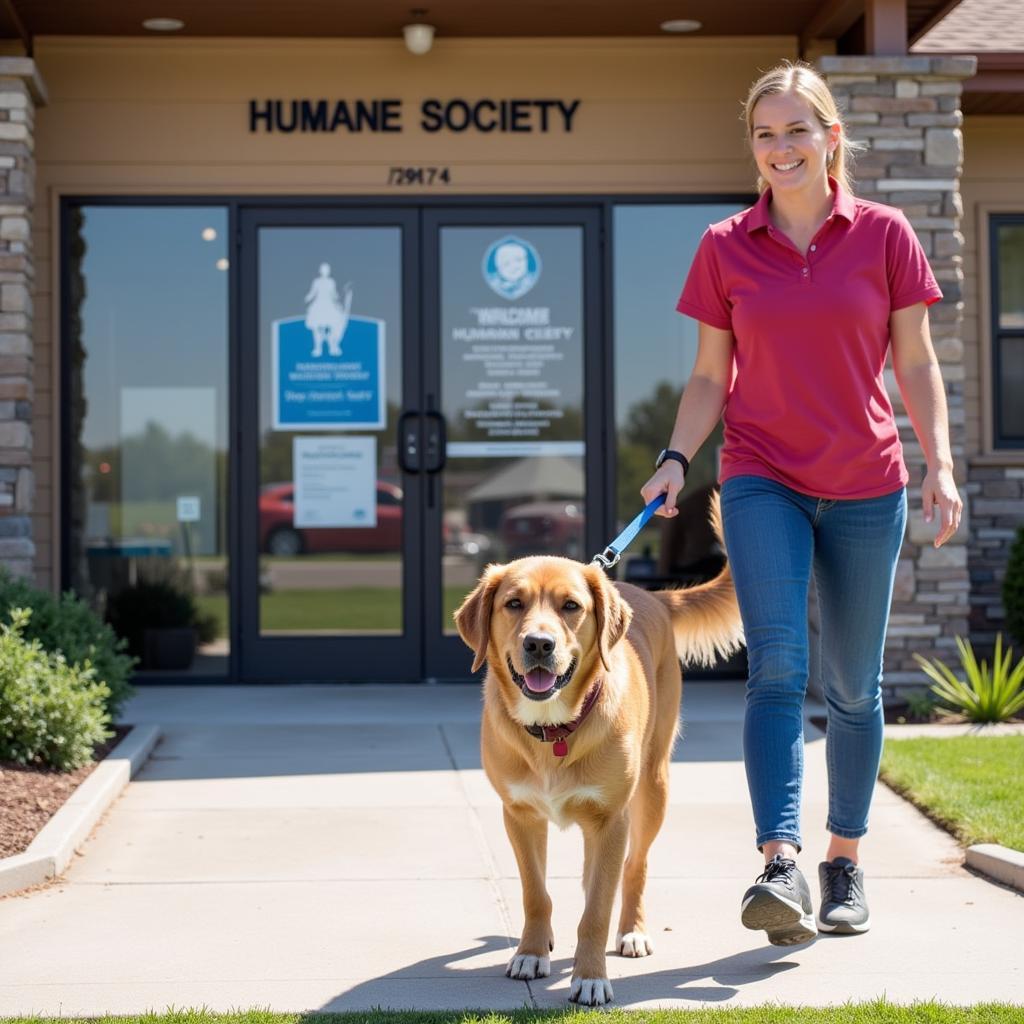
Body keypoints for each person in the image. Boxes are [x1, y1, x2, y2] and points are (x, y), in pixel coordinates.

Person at [641, 60, 962, 946]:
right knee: (778, 668)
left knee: (853, 687)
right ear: (752, 147)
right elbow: (711, 375)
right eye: (765, 133)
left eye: (796, 130)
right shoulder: (725, 246)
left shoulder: (886, 235)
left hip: (866, 484)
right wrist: (677, 457)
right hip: (761, 475)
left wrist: (941, 464)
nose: (781, 148)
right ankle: (779, 861)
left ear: (830, 137)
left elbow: (917, 363)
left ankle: (843, 860)